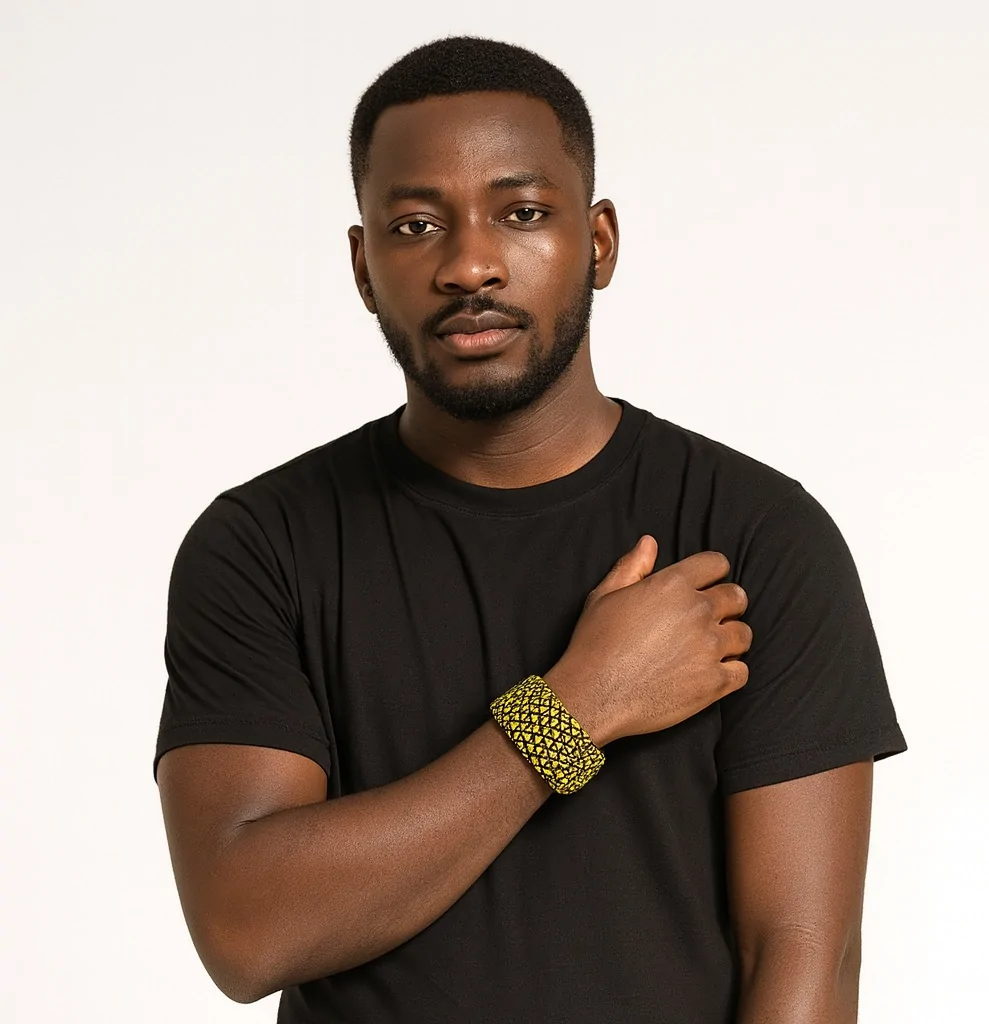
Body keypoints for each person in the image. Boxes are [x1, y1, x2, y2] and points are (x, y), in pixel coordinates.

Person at [153, 35, 907, 1024]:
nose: (468, 263)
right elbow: (247, 933)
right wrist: (577, 705)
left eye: (521, 212)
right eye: (416, 223)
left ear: (597, 241)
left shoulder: (757, 535)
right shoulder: (263, 547)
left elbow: (803, 964)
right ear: (363, 265)